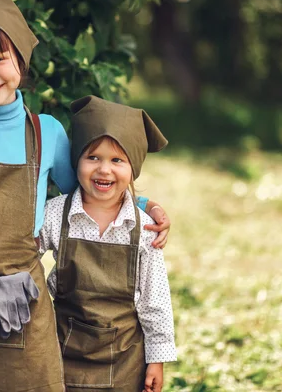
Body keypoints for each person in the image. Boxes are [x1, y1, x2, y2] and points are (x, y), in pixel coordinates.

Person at [0, 0, 171, 392]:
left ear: (20, 61)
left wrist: (145, 207)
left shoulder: (47, 133)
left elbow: (88, 197)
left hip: (24, 305)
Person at [40, 96, 177, 392]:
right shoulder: (55, 214)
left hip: (125, 361)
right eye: (93, 158)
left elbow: (156, 300)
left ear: (133, 168)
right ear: (77, 160)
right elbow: (22, 253)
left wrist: (157, 359)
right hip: (61, 352)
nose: (104, 170)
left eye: (117, 160)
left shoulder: (143, 228)